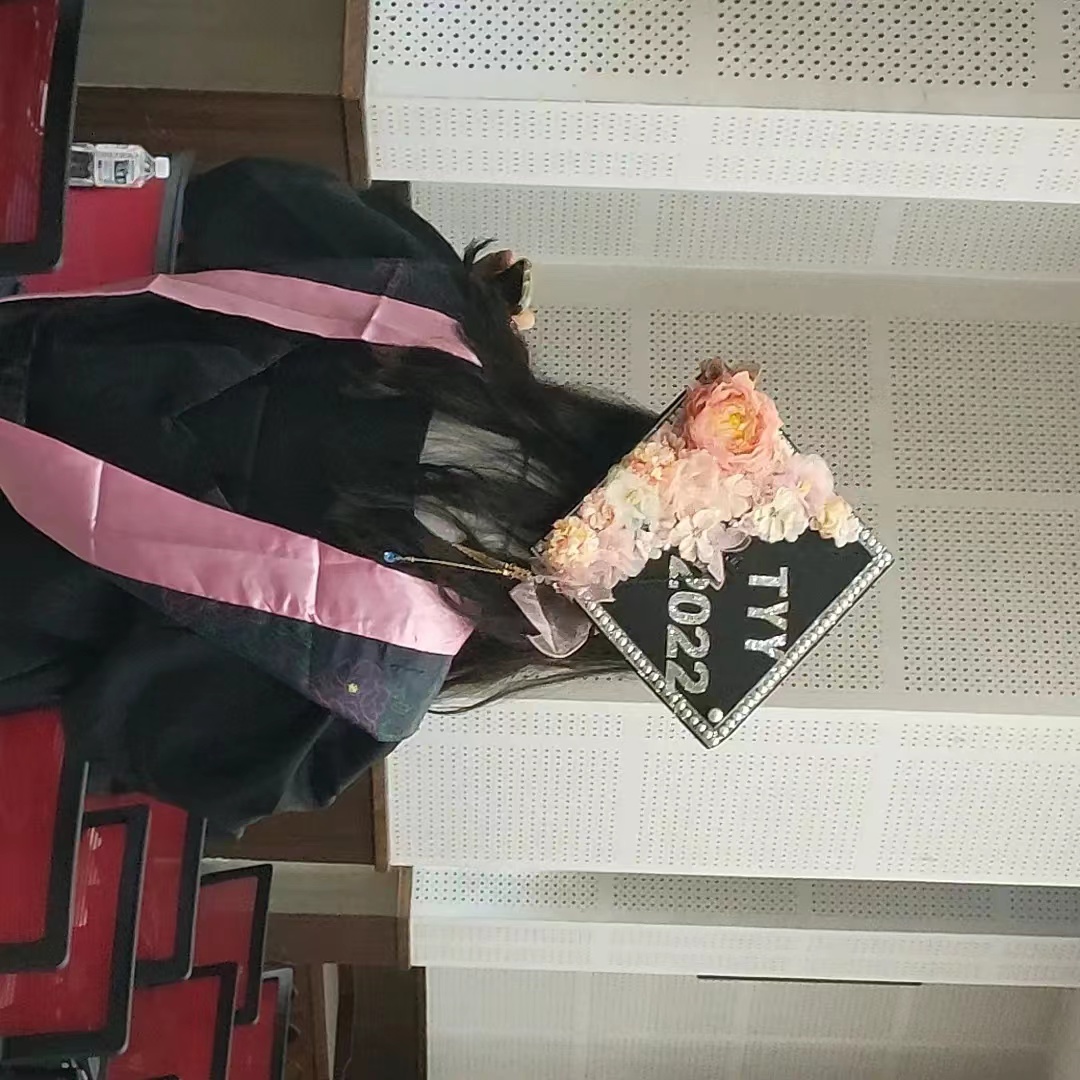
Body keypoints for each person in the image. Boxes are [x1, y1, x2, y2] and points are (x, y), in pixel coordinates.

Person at [0, 158, 654, 834]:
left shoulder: (436, 309)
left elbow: (239, 196)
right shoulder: (373, 682)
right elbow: (135, 738)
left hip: (33, 328)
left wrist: (480, 313)